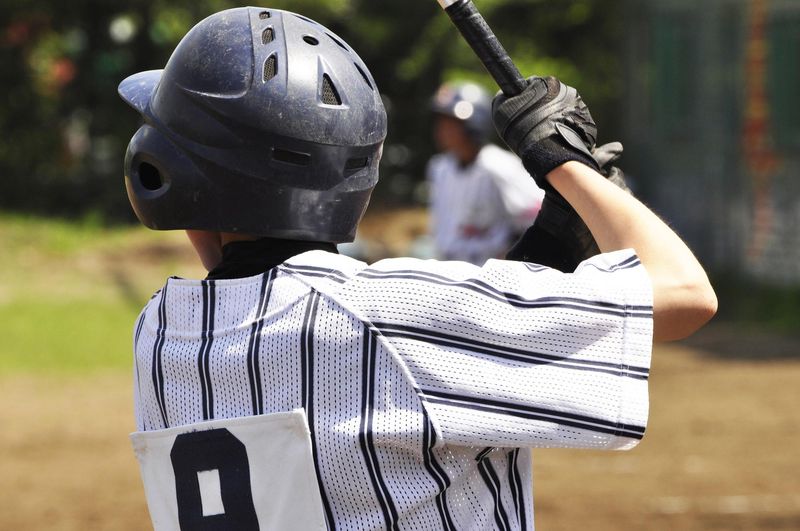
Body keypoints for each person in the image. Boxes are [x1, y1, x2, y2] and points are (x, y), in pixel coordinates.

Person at [119, 7, 717, 531]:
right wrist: (564, 162)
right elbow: (686, 293)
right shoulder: (391, 319)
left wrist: (543, 256)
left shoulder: (160, 336)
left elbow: (369, 364)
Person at [427, 81, 544, 264]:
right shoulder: (440, 168)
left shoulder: (499, 165)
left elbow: (537, 216)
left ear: (474, 124)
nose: (442, 130)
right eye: (441, 123)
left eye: (451, 123)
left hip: (490, 276)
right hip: (450, 271)